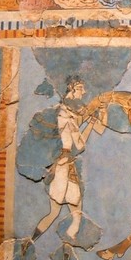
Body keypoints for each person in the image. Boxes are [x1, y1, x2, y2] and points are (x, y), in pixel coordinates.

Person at [30, 76, 106, 243]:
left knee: (68, 212)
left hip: (66, 165)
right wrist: (90, 121)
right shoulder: (64, 115)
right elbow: (78, 144)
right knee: (64, 213)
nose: (83, 92)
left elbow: (83, 142)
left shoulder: (69, 114)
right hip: (63, 167)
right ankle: (34, 242)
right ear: (71, 89)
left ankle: (36, 242)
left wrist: (93, 120)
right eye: (80, 88)